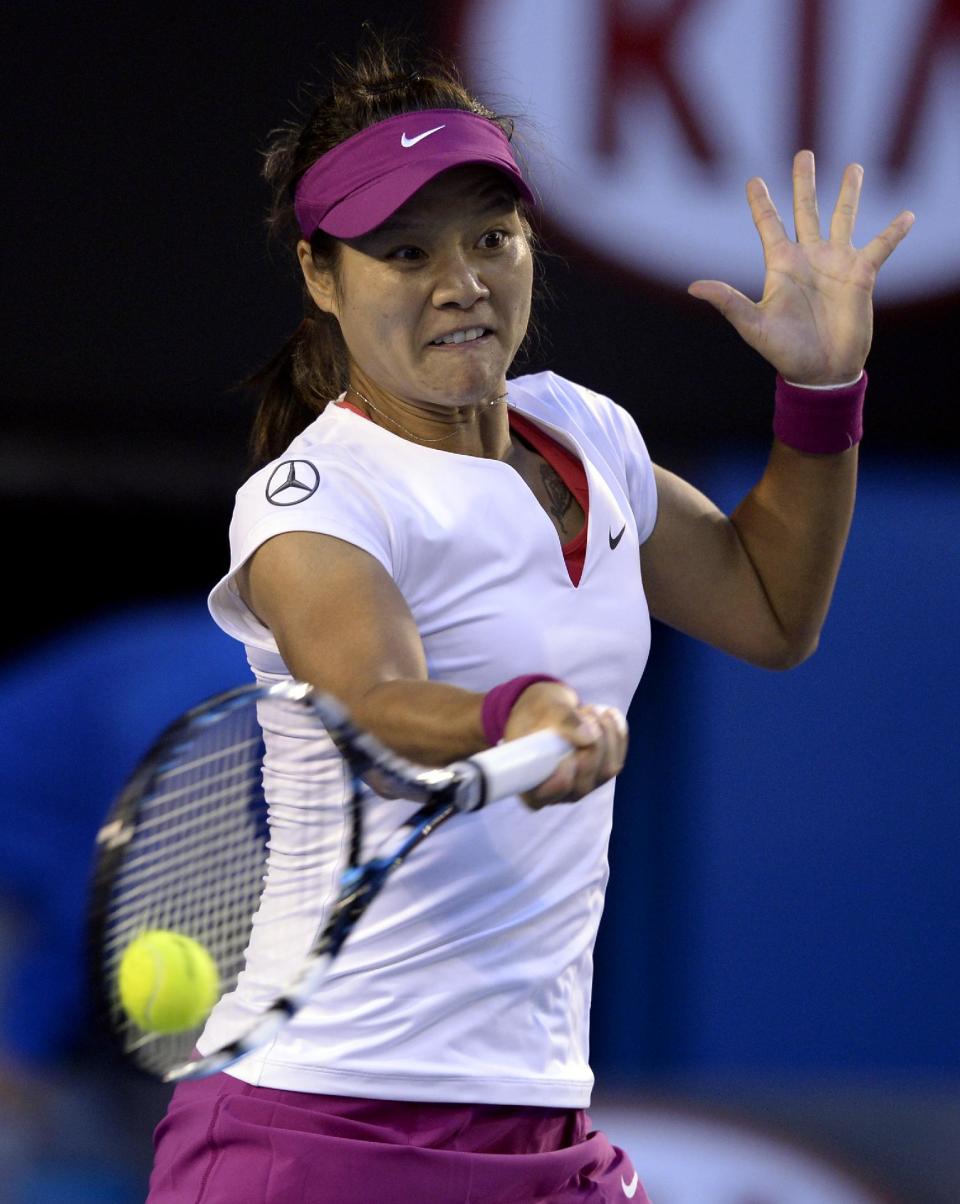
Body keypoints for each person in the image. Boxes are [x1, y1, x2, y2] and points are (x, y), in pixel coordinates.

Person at [147, 36, 913, 1204]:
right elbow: (377, 694)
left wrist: (818, 394)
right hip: (314, 1128)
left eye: (490, 239)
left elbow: (769, 611)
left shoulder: (587, 432)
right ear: (320, 275)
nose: (461, 282)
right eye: (405, 252)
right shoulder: (314, 502)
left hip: (539, 1119)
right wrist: (521, 712)